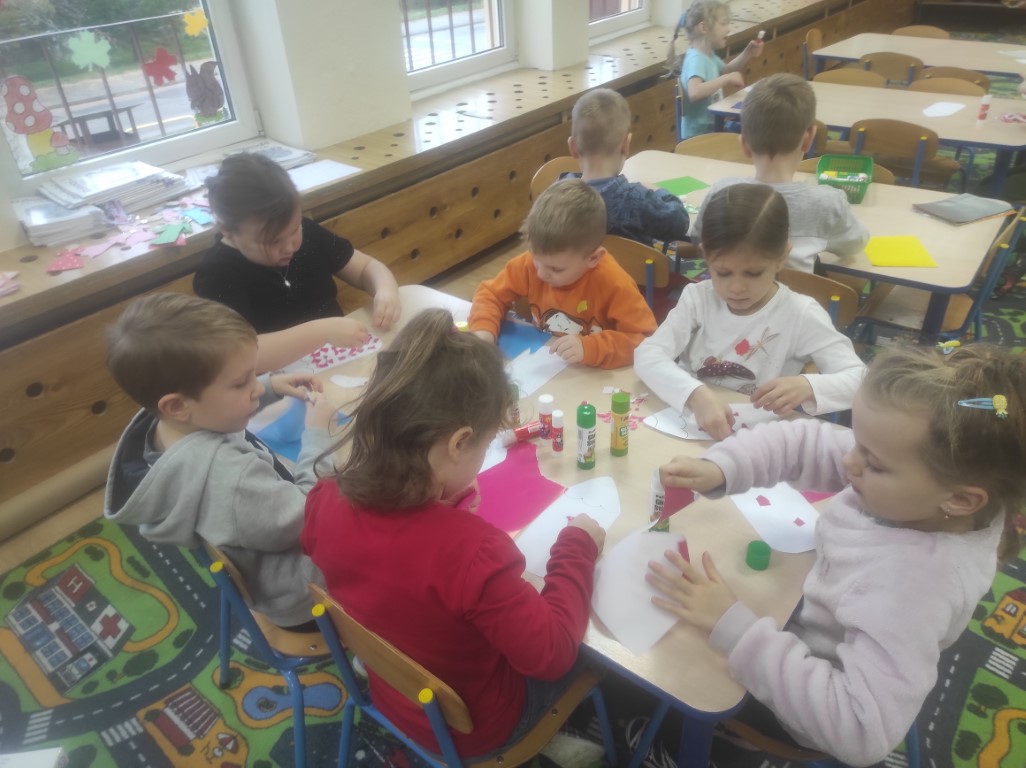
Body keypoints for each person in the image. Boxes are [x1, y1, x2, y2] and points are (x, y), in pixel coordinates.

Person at [646, 344, 1026, 766]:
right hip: (807, 618)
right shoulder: (926, 488)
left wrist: (733, 628)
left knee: (674, 660)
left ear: (960, 500)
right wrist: (723, 467)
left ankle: (702, 745)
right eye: (858, 442)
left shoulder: (911, 589)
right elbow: (800, 441)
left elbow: (862, 732)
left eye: (873, 463)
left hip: (804, 703)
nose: (849, 460)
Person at [303, 308, 605, 757]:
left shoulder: (324, 498)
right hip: (476, 728)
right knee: (593, 657)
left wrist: (442, 504)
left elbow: (390, 562)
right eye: (485, 442)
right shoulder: (473, 552)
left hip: (395, 694)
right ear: (460, 442)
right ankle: (551, 739)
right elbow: (552, 653)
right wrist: (577, 547)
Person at [104, 293, 337, 629]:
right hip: (308, 597)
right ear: (177, 405)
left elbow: (211, 408)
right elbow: (312, 515)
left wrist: (270, 386)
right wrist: (318, 436)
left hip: (269, 558)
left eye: (253, 375)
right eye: (241, 382)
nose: (256, 388)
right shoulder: (230, 479)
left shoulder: (166, 427)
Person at [633, 184, 864, 440]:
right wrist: (695, 394)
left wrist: (807, 385)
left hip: (755, 441)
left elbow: (860, 379)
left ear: (781, 258)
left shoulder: (800, 314)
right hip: (690, 426)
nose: (736, 287)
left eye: (753, 273)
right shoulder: (698, 298)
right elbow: (647, 355)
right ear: (705, 256)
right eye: (723, 272)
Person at [193, 152, 401, 335]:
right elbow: (243, 353)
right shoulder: (217, 274)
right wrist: (320, 332)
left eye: (294, 230)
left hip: (339, 352)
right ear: (228, 230)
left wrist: (385, 290)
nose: (289, 247)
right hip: (279, 367)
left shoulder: (307, 232)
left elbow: (366, 267)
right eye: (273, 241)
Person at [469, 179, 657, 369]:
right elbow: (491, 295)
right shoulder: (530, 264)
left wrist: (591, 348)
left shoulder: (613, 282)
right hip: (547, 365)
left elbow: (645, 339)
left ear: (593, 258)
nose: (541, 273)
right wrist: (484, 333)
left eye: (556, 269)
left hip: (591, 374)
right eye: (536, 258)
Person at [691, 73, 869, 272]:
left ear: (744, 145)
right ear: (808, 139)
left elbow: (698, 237)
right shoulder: (828, 203)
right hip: (797, 292)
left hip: (731, 290)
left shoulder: (721, 193)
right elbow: (856, 244)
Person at [561, 88, 689, 247]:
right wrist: (659, 192)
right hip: (634, 265)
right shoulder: (637, 199)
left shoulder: (556, 195)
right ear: (626, 145)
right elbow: (679, 223)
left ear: (572, 147)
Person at [669, 1, 762, 139]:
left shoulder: (708, 55)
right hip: (699, 136)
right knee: (752, 136)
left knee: (753, 130)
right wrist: (726, 79)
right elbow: (695, 92)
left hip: (713, 128)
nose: (728, 29)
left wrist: (747, 53)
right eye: (723, 24)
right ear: (704, 27)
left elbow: (727, 69)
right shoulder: (696, 59)